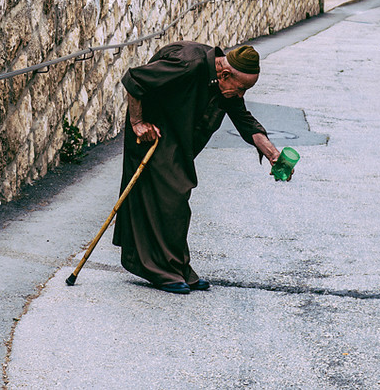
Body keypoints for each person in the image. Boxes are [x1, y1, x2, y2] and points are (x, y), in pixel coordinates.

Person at [112, 40, 283, 294]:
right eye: (241, 88)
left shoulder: (224, 82)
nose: (241, 95)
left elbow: (243, 118)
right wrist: (138, 123)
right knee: (172, 196)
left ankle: (177, 268)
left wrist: (272, 154)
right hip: (151, 130)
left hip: (176, 135)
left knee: (176, 196)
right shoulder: (188, 64)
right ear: (225, 75)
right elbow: (136, 79)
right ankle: (160, 270)